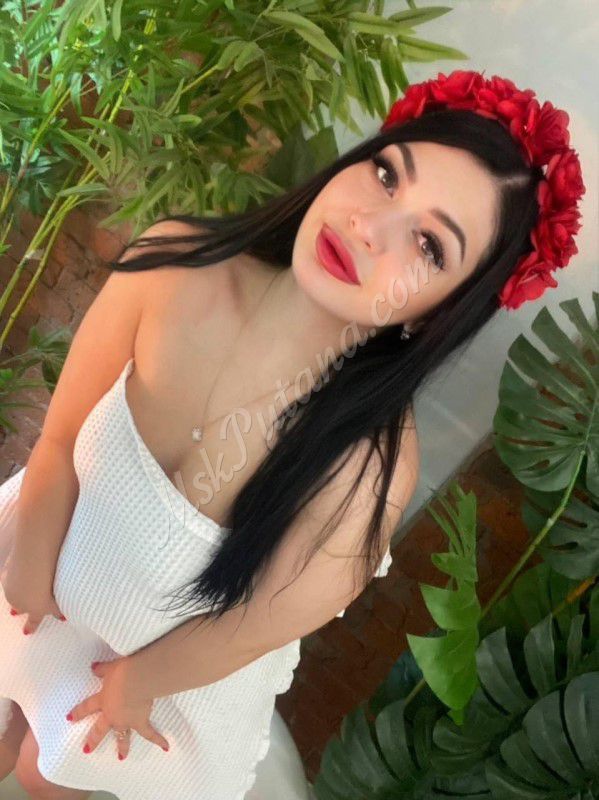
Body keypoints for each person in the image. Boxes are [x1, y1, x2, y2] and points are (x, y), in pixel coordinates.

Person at [0, 69, 585, 799]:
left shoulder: (365, 472)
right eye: (386, 174)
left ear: (441, 310)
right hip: (41, 555)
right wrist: (30, 563)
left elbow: (253, 626)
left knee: (46, 773)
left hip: (157, 669)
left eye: (429, 245)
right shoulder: (176, 264)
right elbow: (60, 439)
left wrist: (136, 683)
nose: (368, 226)